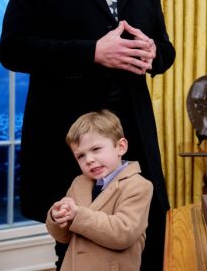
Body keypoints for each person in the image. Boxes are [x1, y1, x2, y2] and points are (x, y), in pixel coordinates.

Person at [0, 0, 175, 270]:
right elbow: (12, 49)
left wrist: (153, 53)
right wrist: (93, 52)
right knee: (78, 241)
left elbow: (165, 52)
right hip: (70, 141)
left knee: (149, 237)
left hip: (132, 140)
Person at [46, 110, 152, 271]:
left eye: (96, 149)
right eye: (80, 156)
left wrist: (78, 215)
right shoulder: (78, 183)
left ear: (121, 147)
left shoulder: (138, 186)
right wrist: (58, 217)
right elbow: (64, 238)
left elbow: (123, 233)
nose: (89, 160)